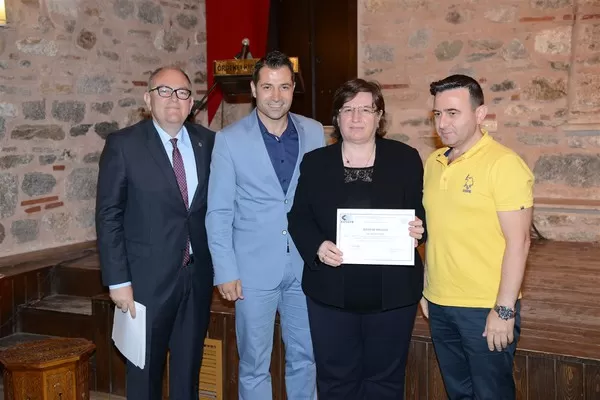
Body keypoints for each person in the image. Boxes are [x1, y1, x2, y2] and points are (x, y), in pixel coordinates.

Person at [287, 78, 426, 400]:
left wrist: (420, 229)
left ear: (380, 117)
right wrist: (318, 246)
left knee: (386, 382)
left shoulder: (406, 159)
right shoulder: (316, 163)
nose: (356, 117)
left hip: (393, 295)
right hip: (330, 294)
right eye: (347, 109)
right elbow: (299, 217)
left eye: (366, 109)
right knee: (336, 382)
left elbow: (422, 213)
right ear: (336, 118)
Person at [205, 50, 324, 400]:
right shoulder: (229, 139)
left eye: (284, 86)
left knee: (306, 357)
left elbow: (324, 197)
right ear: (254, 89)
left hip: (305, 266)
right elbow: (219, 211)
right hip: (251, 271)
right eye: (268, 87)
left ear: (293, 89)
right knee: (254, 363)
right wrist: (225, 270)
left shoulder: (314, 131)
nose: (276, 95)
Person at [95, 66, 215, 400]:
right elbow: (109, 215)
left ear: (191, 103)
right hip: (144, 283)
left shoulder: (209, 143)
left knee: (188, 374)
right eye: (164, 90)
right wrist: (118, 281)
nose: (173, 99)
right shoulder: (123, 145)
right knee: (144, 375)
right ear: (147, 99)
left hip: (197, 277)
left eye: (182, 92)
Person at [421, 74, 534, 400]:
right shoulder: (434, 163)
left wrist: (504, 309)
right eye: (437, 114)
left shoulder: (504, 164)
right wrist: (427, 289)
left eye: (452, 113)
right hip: (439, 303)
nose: (442, 123)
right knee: (458, 393)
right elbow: (438, 232)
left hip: (485, 308)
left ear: (480, 114)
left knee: (491, 394)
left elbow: (519, 242)